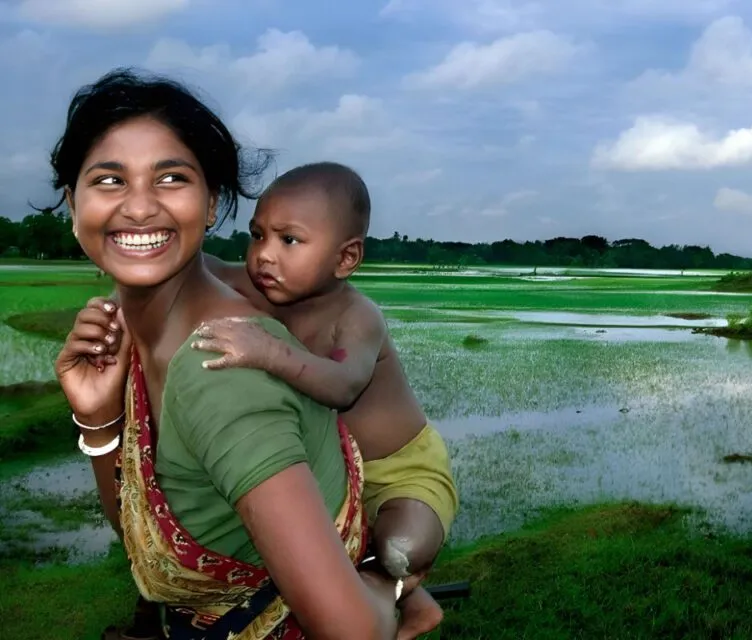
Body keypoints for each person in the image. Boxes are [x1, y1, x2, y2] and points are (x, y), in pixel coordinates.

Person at [52, 68, 400, 639]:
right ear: (74, 202)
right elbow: (149, 550)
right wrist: (98, 420)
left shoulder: (221, 368)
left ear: (212, 203)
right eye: (109, 180)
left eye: (170, 179)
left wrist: (391, 588)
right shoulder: (130, 323)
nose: (138, 208)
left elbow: (354, 630)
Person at [194, 162, 459, 640]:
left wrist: (271, 352)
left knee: (400, 548)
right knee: (303, 539)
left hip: (400, 470)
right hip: (335, 470)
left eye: (288, 240)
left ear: (345, 258)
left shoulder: (357, 317)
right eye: (257, 236)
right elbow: (205, 269)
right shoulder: (265, 288)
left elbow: (343, 386)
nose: (264, 256)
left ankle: (391, 590)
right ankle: (405, 596)